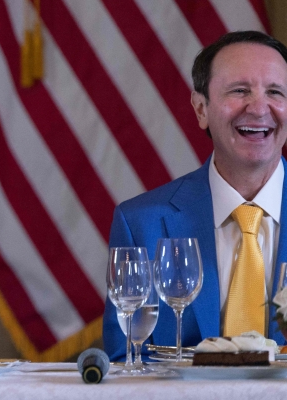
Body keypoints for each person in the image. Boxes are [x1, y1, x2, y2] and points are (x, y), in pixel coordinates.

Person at [103, 30, 287, 360]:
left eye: (275, 92)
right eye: (240, 91)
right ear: (201, 108)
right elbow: (125, 366)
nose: (259, 108)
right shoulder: (141, 224)